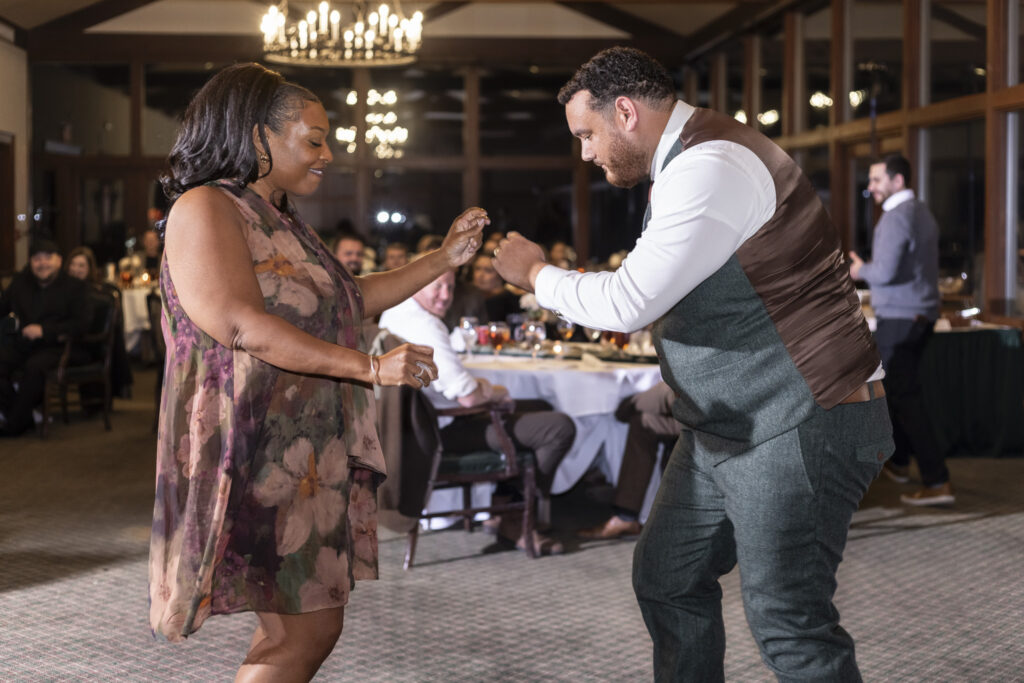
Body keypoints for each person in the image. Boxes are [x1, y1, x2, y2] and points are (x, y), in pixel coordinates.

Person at [492, 47, 893, 681]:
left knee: (789, 622)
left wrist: (535, 274)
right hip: (733, 423)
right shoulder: (691, 162)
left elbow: (628, 301)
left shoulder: (712, 165)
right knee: (667, 578)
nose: (586, 154)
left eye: (586, 135)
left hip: (805, 419)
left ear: (624, 112)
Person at [148, 62, 488, 681]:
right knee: (306, 628)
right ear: (258, 139)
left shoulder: (277, 218)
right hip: (249, 448)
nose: (328, 154)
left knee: (297, 621)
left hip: (300, 454)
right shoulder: (205, 208)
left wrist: (443, 258)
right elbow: (240, 322)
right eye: (314, 139)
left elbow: (345, 296)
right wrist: (369, 367)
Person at [378, 270, 575, 555]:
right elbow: (468, 396)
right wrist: (495, 391)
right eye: (438, 287)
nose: (446, 296)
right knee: (558, 427)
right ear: (416, 282)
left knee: (540, 407)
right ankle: (514, 518)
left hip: (414, 428)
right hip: (438, 433)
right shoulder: (424, 326)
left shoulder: (393, 314)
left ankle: (505, 504)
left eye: (450, 287)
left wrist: (485, 390)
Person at [848, 155, 949, 506]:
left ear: (898, 181)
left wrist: (860, 270)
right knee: (897, 391)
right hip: (921, 315)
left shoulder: (895, 217)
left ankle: (938, 482)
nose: (871, 187)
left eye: (877, 180)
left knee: (904, 396)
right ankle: (901, 463)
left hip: (902, 318)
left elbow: (886, 272)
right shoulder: (921, 211)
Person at [0, 240, 91, 436]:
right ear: (31, 262)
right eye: (37, 259)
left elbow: (82, 324)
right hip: (25, 344)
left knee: (35, 367)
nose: (42, 264)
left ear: (59, 261)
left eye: (47, 258)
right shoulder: (20, 284)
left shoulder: (75, 287)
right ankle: (19, 416)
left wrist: (44, 330)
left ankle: (13, 425)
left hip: (60, 345)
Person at [577, 381, 679, 540]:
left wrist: (630, 404)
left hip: (718, 424)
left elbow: (672, 390)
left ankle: (627, 516)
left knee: (640, 413)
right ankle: (627, 517)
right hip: (713, 415)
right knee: (643, 422)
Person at [65, 245, 133, 401]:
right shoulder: (64, 289)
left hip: (88, 343)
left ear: (90, 268)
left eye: (81, 265)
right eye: (73, 264)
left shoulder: (95, 293)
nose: (76, 269)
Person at [470, 252, 522, 324]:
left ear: (500, 274)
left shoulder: (511, 301)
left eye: (488, 270)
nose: (480, 275)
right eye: (477, 269)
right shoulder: (467, 298)